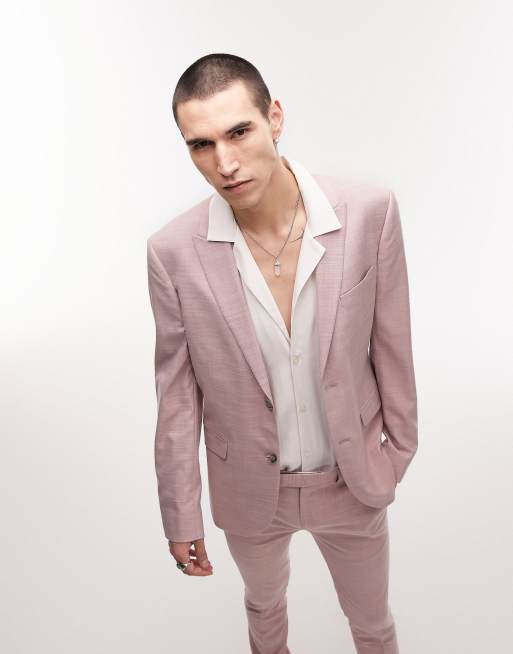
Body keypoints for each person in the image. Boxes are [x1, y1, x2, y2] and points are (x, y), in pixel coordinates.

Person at [146, 52, 418, 654]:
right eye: (201, 145)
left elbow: (394, 345)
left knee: (372, 624)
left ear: (274, 117)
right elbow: (177, 398)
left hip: (351, 480)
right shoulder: (172, 252)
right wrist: (181, 513)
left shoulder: (368, 212)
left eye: (239, 131)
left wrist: (395, 454)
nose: (224, 163)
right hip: (249, 489)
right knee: (264, 612)